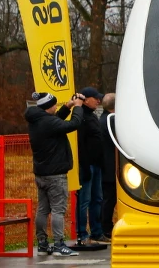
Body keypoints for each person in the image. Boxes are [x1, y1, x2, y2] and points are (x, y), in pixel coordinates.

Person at [25, 91, 86, 256]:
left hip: (41, 173)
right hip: (56, 175)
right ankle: (59, 244)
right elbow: (73, 124)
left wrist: (68, 106)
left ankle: (43, 243)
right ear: (48, 107)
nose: (56, 107)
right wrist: (78, 108)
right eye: (55, 105)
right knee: (58, 209)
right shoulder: (48, 122)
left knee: (43, 210)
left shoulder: (37, 119)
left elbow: (56, 120)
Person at [75, 86, 104, 245]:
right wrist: (84, 166)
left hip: (97, 164)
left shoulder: (93, 116)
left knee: (97, 199)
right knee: (84, 200)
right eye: (95, 98)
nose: (98, 101)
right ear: (85, 99)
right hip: (87, 165)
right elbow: (81, 144)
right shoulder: (81, 118)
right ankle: (81, 233)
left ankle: (97, 231)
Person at [97, 92, 117, 242]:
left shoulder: (102, 120)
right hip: (111, 166)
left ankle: (105, 227)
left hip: (105, 165)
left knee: (107, 198)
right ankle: (106, 228)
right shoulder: (111, 121)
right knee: (109, 199)